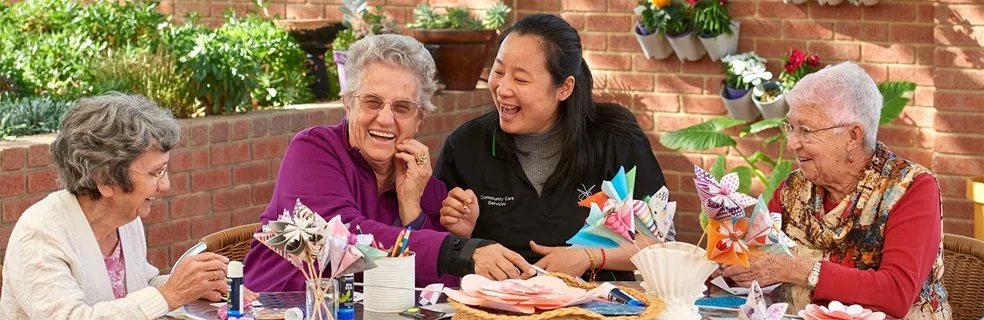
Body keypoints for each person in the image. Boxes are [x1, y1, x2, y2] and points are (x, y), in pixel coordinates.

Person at [242, 34, 534, 291]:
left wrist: (412, 210)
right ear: (347, 102)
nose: (385, 118)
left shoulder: (427, 187)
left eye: (402, 107)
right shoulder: (313, 150)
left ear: (419, 119)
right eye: (372, 102)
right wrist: (457, 250)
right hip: (277, 308)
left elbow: (435, 293)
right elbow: (338, 241)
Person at [435, 14, 670, 282]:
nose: (502, 89)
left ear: (564, 88)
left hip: (598, 305)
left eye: (521, 79)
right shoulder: (466, 144)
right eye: (498, 72)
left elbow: (658, 241)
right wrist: (462, 236)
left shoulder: (617, 140)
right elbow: (432, 241)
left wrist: (588, 256)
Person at [721, 62, 951, 319]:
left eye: (805, 130)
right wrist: (730, 264)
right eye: (791, 127)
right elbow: (754, 264)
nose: (791, 143)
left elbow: (896, 293)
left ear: (852, 136)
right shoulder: (793, 190)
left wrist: (793, 269)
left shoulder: (910, 189)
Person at [0, 94, 232, 319]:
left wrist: (195, 287)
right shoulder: (40, 234)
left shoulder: (126, 219)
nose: (166, 184)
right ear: (105, 180)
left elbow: (140, 287)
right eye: (155, 172)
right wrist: (172, 293)